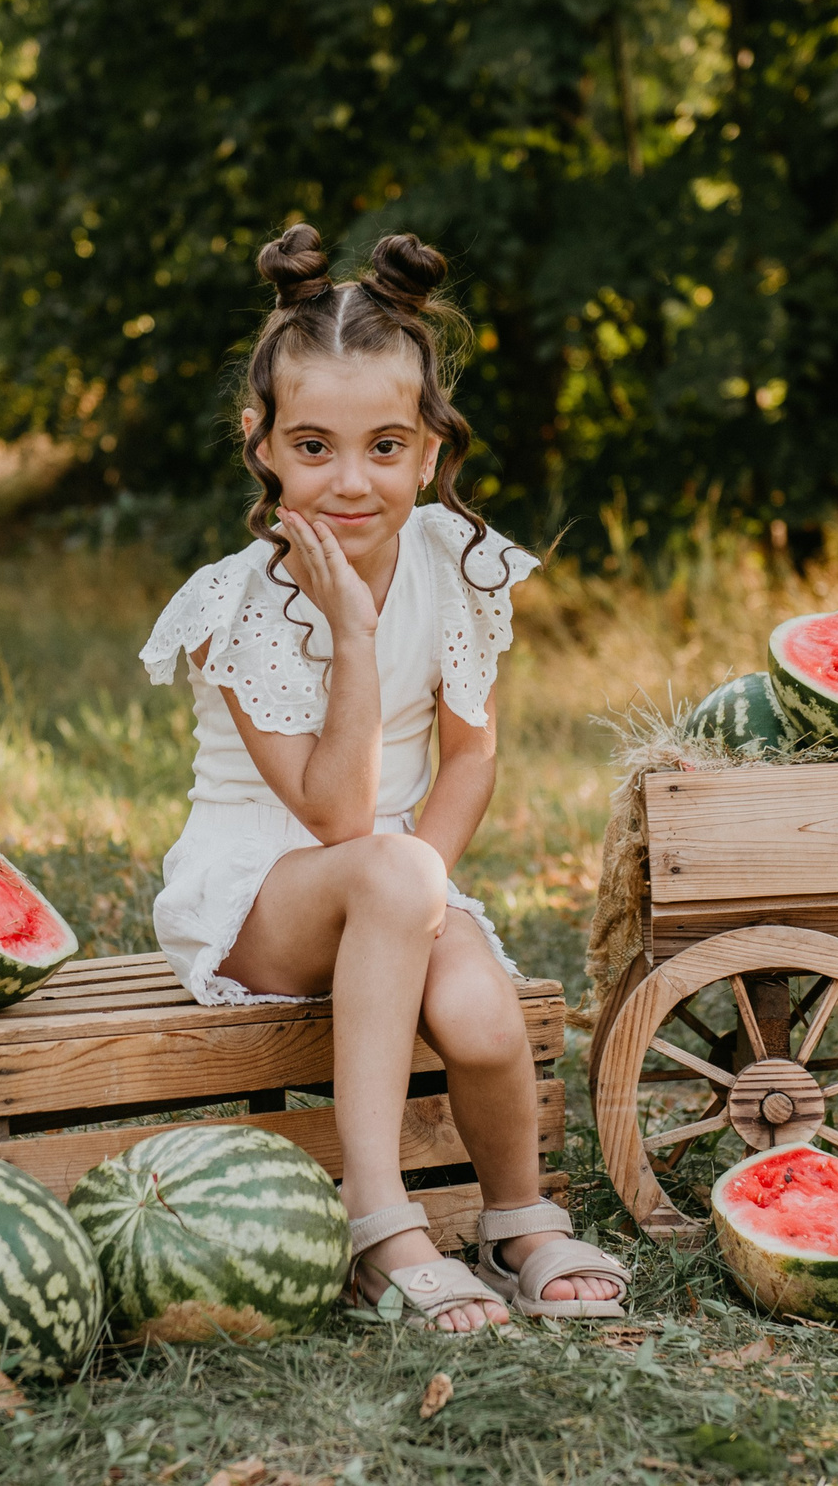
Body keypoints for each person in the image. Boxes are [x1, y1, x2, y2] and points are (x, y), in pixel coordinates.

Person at [138, 224, 631, 1332]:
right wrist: (352, 639)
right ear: (261, 443)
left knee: (487, 1020)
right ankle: (377, 1224)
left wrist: (420, 900)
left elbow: (472, 755)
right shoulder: (236, 603)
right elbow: (331, 814)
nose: (350, 482)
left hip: (393, 872)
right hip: (261, 894)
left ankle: (517, 1219)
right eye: (314, 448)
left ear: (425, 448)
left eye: (383, 448)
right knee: (390, 871)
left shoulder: (458, 564)